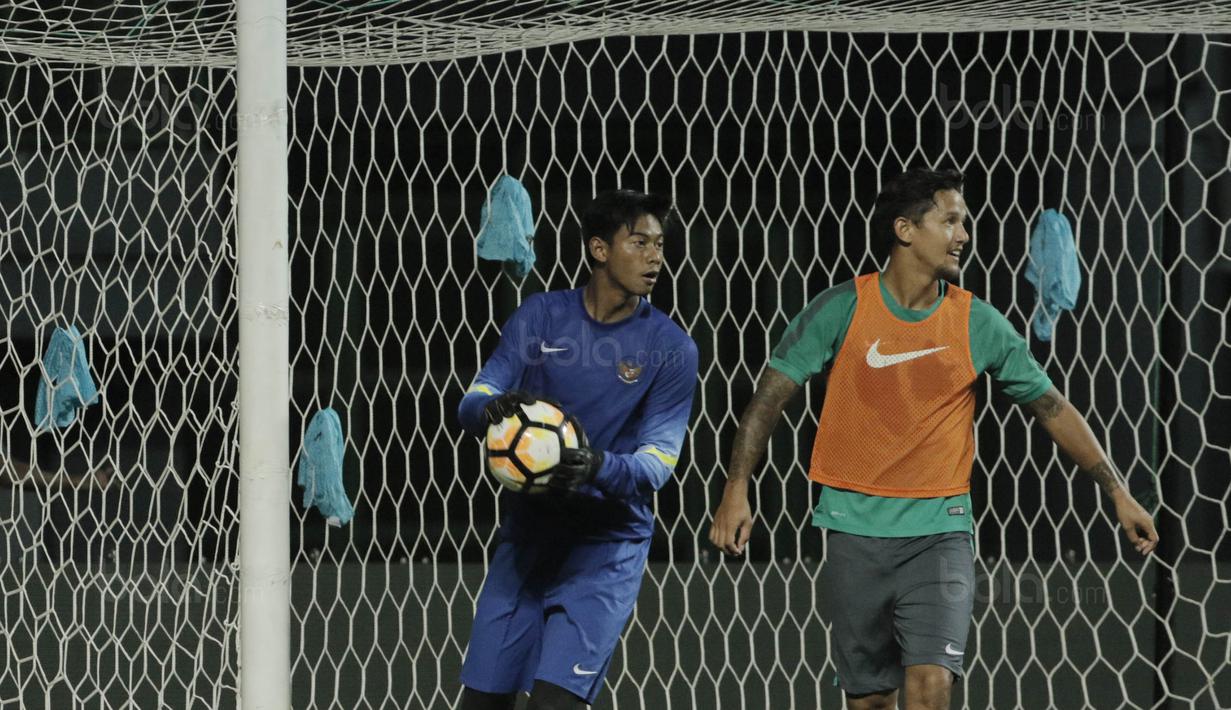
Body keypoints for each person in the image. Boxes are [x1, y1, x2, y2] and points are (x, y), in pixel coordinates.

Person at [708, 168, 1158, 710]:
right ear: (905, 230)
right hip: (854, 529)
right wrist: (737, 487)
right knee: (871, 699)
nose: (964, 235)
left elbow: (1053, 409)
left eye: (963, 222)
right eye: (950, 221)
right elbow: (768, 398)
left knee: (931, 687)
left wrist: (1117, 491)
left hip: (940, 533)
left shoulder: (977, 323)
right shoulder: (840, 308)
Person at [456, 189, 699, 710]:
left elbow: (657, 463)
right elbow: (477, 395)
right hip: (528, 537)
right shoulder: (542, 316)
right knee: (481, 703)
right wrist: (489, 412)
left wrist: (594, 466)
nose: (656, 257)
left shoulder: (671, 347)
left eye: (660, 244)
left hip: (605, 546)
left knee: (554, 704)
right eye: (639, 242)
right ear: (599, 249)